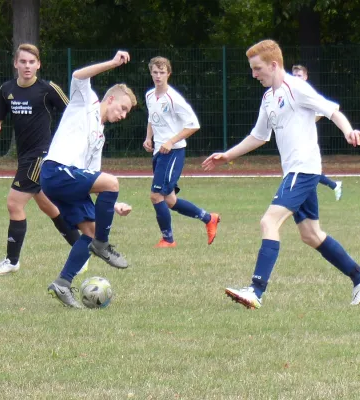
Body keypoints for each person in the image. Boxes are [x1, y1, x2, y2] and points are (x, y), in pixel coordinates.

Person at [202, 39, 360, 309]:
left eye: (257, 68)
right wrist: (228, 155)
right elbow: (259, 136)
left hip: (303, 169)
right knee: (311, 234)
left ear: (274, 65)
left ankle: (256, 290)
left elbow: (331, 110)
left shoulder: (296, 88)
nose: (254, 74)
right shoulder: (268, 98)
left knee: (269, 221)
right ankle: (358, 277)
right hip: (296, 172)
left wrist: (348, 130)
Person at [40, 50, 137, 308]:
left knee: (91, 232)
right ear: (112, 98)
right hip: (56, 170)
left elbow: (94, 179)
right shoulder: (88, 101)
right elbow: (78, 75)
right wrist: (113, 63)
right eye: (123, 108)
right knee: (112, 183)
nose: (123, 114)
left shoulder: (99, 136)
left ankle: (62, 283)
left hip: (70, 180)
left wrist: (113, 205)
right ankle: (103, 246)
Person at [0, 43, 87, 276]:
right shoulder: (7, 89)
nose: (27, 66)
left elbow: (73, 114)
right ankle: (81, 254)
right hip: (24, 157)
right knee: (48, 206)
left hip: (43, 155)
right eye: (23, 62)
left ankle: (12, 261)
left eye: (32, 62)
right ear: (16, 64)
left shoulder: (48, 89)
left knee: (14, 203)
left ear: (39, 64)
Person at [143, 57, 220, 248]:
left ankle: (168, 240)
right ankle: (209, 218)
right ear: (151, 73)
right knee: (169, 200)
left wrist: (170, 141)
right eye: (155, 72)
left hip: (173, 153)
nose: (158, 76)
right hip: (159, 152)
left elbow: (193, 125)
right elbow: (152, 118)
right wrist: (148, 137)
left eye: (162, 72)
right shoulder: (150, 95)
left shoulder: (174, 99)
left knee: (156, 196)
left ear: (169, 73)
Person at [292, 64, 342, 201]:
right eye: (294, 75)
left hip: (306, 143)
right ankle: (333, 185)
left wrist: (313, 119)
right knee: (303, 172)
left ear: (306, 77)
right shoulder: (289, 94)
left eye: (300, 75)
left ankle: (333, 186)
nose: (297, 78)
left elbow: (333, 107)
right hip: (294, 142)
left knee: (306, 171)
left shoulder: (308, 94)